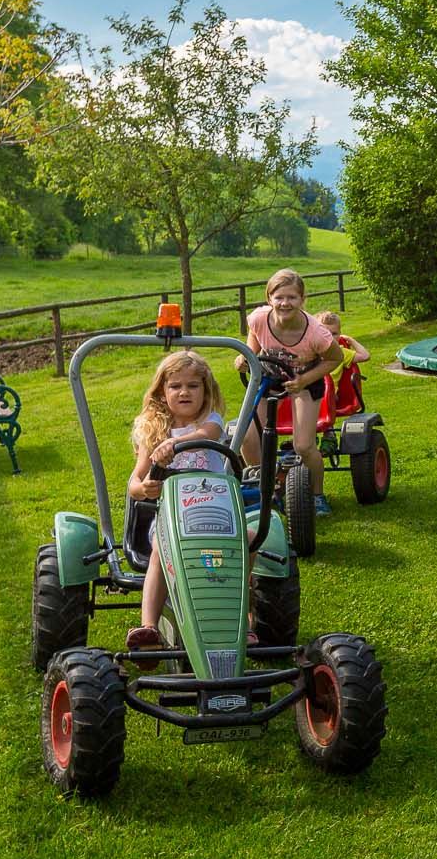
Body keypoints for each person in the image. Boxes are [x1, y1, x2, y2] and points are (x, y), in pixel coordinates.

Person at [123, 351, 226, 657]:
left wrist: (174, 444)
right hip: (170, 517)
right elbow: (134, 484)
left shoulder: (211, 421)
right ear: (162, 391)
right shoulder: (153, 431)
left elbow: (207, 435)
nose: (184, 392)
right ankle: (149, 626)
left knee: (246, 545)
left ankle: (244, 621)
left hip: (215, 513)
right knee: (160, 550)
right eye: (176, 386)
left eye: (193, 386)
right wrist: (145, 487)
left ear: (205, 391)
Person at [242, 268, 347, 516]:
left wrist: (303, 380)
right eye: (279, 297)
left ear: (302, 300)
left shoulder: (316, 333)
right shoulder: (258, 318)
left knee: (303, 445)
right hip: (269, 377)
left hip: (304, 380)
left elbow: (335, 358)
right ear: (269, 299)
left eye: (291, 297)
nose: (285, 303)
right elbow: (253, 342)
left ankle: (317, 495)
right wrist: (245, 357)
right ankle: (267, 487)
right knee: (247, 438)